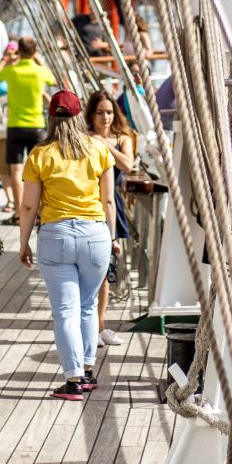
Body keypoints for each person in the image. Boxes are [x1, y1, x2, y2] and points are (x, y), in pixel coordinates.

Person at [18, 90, 116, 401]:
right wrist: (112, 239)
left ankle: (73, 379)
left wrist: (23, 243)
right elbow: (109, 200)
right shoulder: (99, 150)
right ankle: (87, 371)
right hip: (95, 235)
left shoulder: (40, 155)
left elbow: (29, 207)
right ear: (78, 117)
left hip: (56, 235)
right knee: (87, 306)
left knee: (65, 311)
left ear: (51, 116)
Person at [0, 36, 55, 219]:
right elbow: (53, 79)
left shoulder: (12, 70)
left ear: (19, 52)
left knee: (16, 172)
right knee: (40, 172)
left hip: (15, 126)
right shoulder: (39, 72)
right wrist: (38, 58)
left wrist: (6, 59)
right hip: (36, 126)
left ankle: (20, 212)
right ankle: (41, 211)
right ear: (34, 52)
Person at [85, 89, 136, 347]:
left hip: (111, 204)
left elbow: (128, 165)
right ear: (91, 115)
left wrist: (105, 145)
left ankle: (100, 324)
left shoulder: (121, 138)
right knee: (92, 271)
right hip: (88, 203)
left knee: (107, 271)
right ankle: (92, 326)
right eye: (100, 112)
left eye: (109, 112)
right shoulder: (84, 138)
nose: (105, 117)